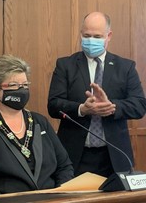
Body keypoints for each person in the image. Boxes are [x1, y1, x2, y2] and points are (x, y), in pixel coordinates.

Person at [0, 55, 74, 198]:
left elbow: (64, 167)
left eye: (24, 85)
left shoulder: (39, 122)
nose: (21, 90)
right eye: (13, 85)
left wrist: (60, 196)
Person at [47, 11, 146, 177]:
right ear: (81, 34)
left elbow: (139, 106)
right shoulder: (66, 65)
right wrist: (81, 109)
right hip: (74, 155)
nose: (91, 40)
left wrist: (112, 107)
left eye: (97, 36)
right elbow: (53, 105)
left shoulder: (125, 67)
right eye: (87, 35)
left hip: (114, 156)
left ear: (109, 36)